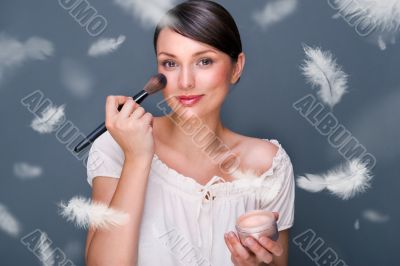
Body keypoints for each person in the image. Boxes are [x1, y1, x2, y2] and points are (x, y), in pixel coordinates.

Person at [84, 1, 295, 265]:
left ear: (236, 67)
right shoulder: (116, 145)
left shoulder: (269, 165)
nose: (185, 82)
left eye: (204, 61)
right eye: (170, 63)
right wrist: (136, 158)